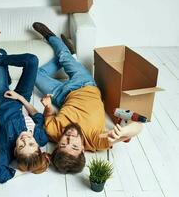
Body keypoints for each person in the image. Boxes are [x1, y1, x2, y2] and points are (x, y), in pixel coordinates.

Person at [33, 22, 143, 174]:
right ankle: (60, 47)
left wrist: (48, 106)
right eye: (75, 146)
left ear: (57, 145)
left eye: (64, 144)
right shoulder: (95, 140)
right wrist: (125, 133)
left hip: (60, 95)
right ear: (84, 150)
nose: (70, 138)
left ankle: (59, 46)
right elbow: (139, 126)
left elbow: (50, 115)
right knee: (64, 56)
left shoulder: (53, 132)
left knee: (34, 75)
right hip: (85, 83)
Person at [0, 49, 50, 183]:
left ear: (16, 151)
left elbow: (0, 176)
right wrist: (20, 98)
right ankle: (1, 65)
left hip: (2, 97)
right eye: (31, 144)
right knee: (32, 60)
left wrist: (25, 171)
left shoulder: (6, 146)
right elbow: (37, 115)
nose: (25, 139)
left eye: (21, 146)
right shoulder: (41, 138)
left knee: (0, 52)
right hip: (22, 97)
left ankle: (0, 64)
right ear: (38, 146)